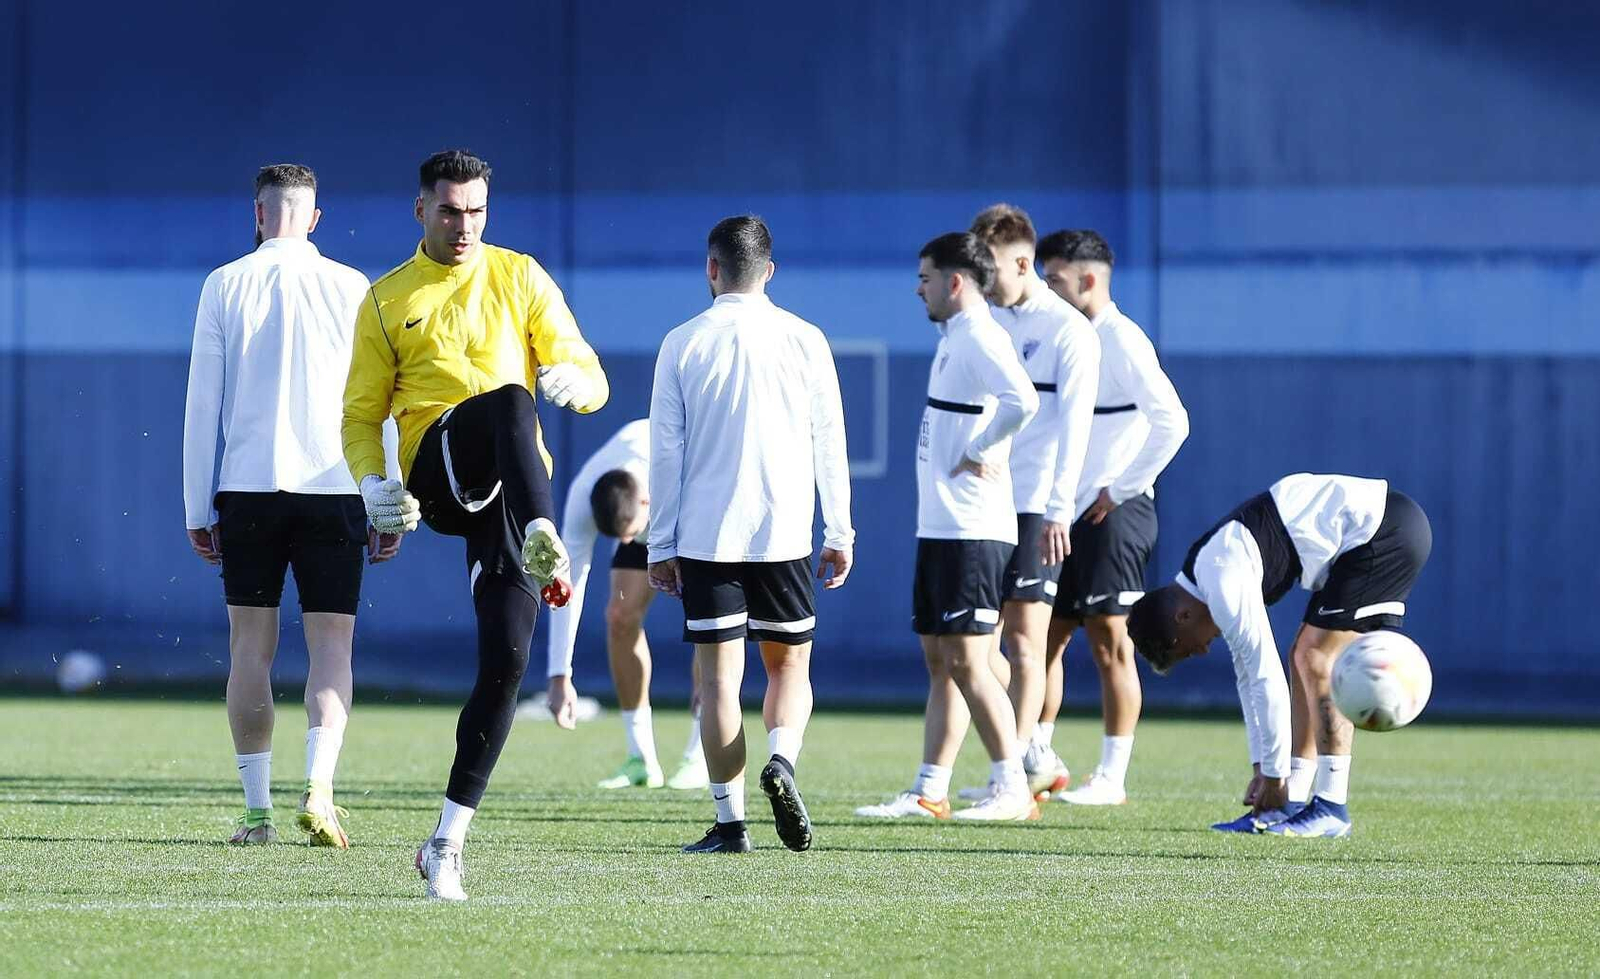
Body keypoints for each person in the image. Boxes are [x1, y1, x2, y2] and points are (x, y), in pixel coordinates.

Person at [342, 149, 608, 900]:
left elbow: (587, 367)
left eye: (478, 210)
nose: (466, 225)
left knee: (509, 658)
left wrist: (578, 383)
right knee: (508, 403)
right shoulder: (388, 297)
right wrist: (371, 484)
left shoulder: (520, 274)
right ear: (421, 210)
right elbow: (361, 414)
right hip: (441, 470)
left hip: (514, 499)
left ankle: (445, 843)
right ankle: (546, 537)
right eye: (452, 209)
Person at [183, 163, 399, 849]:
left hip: (247, 488)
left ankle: (256, 812)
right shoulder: (352, 285)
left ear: (257, 213)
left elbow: (201, 406)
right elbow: (378, 399)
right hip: (335, 485)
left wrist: (196, 501)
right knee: (331, 644)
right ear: (314, 218)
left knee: (251, 644)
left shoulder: (223, 283)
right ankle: (321, 790)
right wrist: (386, 496)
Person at [647, 215, 853, 854]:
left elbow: (665, 452)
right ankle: (782, 762)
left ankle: (730, 823)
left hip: (708, 538)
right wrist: (839, 528)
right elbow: (830, 440)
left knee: (718, 683)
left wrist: (660, 544)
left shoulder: (682, 342)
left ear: (712, 269)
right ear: (769, 271)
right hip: (785, 532)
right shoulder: (806, 338)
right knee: (790, 665)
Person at [1127, 473, 1432, 837]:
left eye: (1188, 648)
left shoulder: (1222, 580)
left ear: (1182, 617)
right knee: (1303, 655)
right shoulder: (1204, 572)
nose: (1205, 649)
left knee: (1316, 659)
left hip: (1384, 531)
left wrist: (1272, 775)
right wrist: (1264, 769)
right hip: (1372, 534)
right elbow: (1248, 679)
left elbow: (1264, 678)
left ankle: (1332, 806)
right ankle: (1291, 804)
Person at [854, 232, 1040, 822]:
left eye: (926, 277)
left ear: (955, 282)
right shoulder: (956, 335)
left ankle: (1013, 786)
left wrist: (984, 447)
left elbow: (1024, 400)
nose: (919, 288)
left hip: (973, 529)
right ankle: (930, 789)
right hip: (941, 527)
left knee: (968, 659)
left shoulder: (981, 334)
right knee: (941, 660)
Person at [1031, 229, 1189, 807]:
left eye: (1054, 280)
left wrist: (1121, 488)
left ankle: (1111, 777)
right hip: (1063, 517)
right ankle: (1034, 762)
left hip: (1114, 516)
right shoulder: (1064, 338)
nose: (1045, 290)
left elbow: (1173, 420)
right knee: (1042, 641)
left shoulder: (1120, 339)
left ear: (1089, 279)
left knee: (1110, 644)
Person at [960, 204, 1098, 803]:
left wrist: (1060, 508)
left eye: (991, 269)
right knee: (975, 641)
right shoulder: (984, 323)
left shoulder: (1070, 331)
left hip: (1038, 503)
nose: (984, 283)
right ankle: (1024, 757)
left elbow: (1076, 430)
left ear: (1023, 260)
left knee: (1025, 641)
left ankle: (1013, 776)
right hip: (983, 504)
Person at [540, 418, 708, 791]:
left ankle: (702, 752)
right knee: (619, 616)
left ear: (647, 502)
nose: (628, 542)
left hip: (695, 516)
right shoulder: (585, 495)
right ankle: (641, 759)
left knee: (708, 626)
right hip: (651, 513)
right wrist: (558, 675)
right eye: (623, 539)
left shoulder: (680, 469)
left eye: (631, 535)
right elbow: (568, 586)